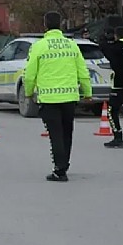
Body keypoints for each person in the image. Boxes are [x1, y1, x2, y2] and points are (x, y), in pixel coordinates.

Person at [23, 11, 93, 182]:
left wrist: (28, 92)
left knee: (55, 134)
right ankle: (64, 164)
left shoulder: (38, 46)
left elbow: (30, 74)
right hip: (69, 98)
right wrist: (87, 92)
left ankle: (59, 170)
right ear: (60, 24)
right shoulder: (71, 45)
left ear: (45, 25)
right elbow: (83, 72)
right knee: (67, 133)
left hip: (49, 99)